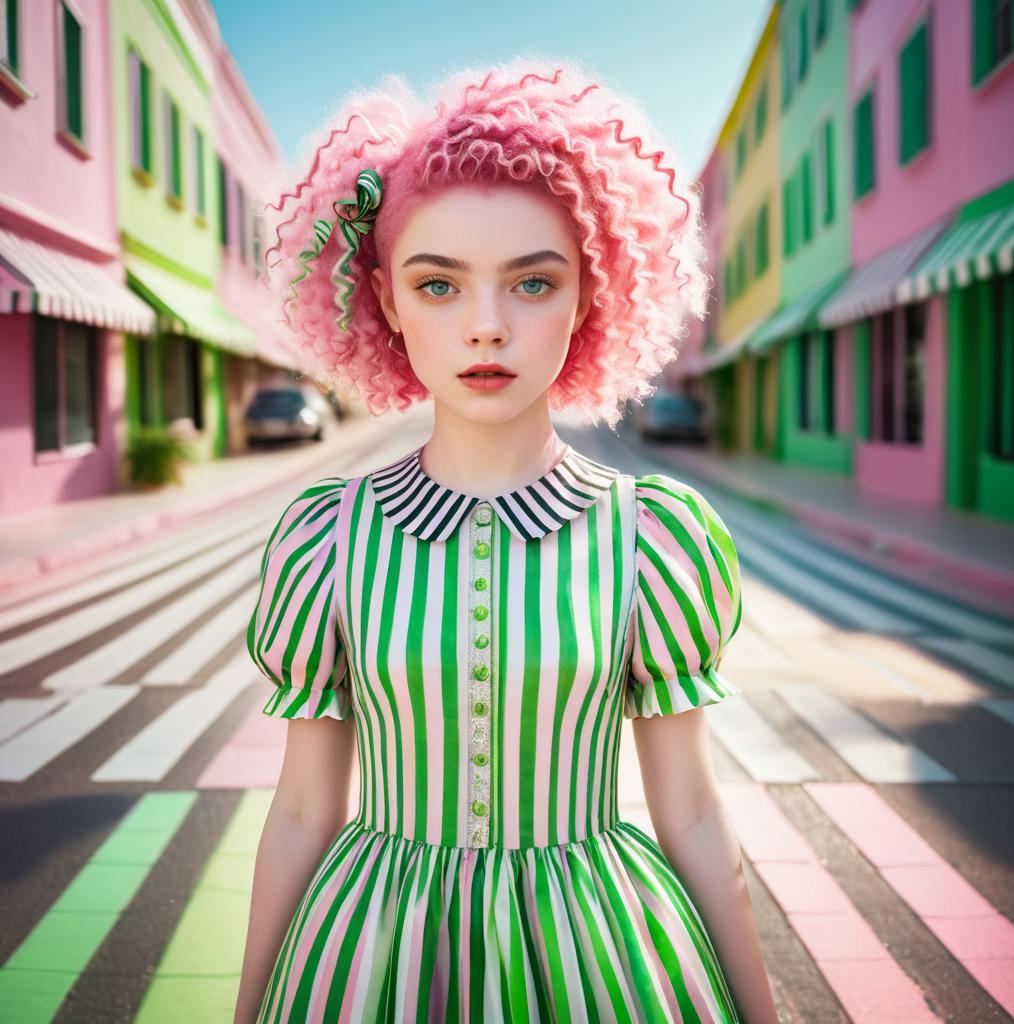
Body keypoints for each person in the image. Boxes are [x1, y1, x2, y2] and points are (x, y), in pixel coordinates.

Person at [234, 57, 778, 1024]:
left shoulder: (652, 539)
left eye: (532, 282)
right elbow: (303, 811)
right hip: (373, 958)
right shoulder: (326, 539)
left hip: (601, 954)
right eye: (438, 286)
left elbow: (690, 810)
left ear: (589, 299)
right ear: (388, 306)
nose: (486, 327)